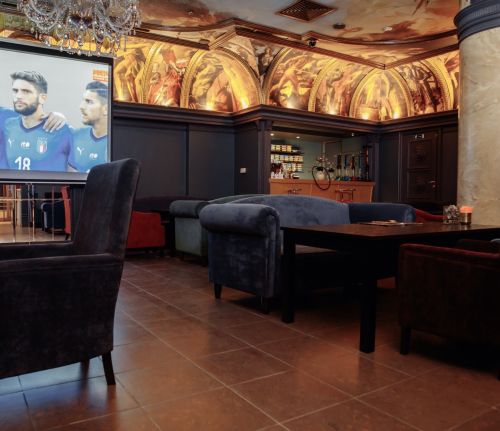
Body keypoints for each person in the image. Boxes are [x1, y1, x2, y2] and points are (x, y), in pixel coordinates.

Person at [0, 71, 72, 171]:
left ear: (42, 98)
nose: (18, 96)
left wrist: (59, 117)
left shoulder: (62, 129)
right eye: (15, 91)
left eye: (26, 91)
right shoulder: (8, 124)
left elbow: (78, 173)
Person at [68, 81, 108, 173]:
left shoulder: (116, 143)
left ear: (105, 109)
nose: (81, 107)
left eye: (89, 102)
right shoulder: (75, 135)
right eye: (83, 101)